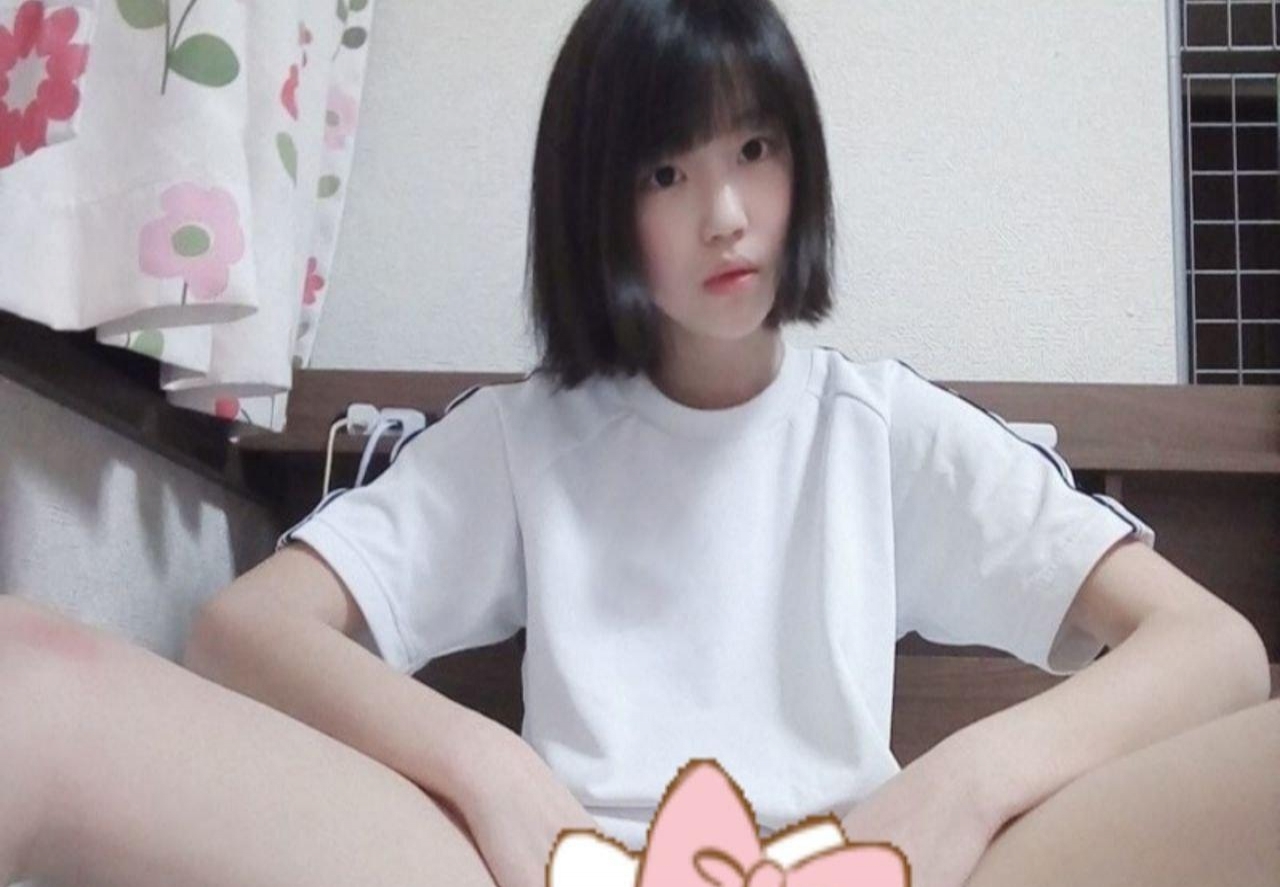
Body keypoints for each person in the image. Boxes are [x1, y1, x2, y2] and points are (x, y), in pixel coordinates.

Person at [2, 0, 1277, 886]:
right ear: (595, 207)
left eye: (754, 149)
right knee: (27, 673)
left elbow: (1215, 652)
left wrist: (963, 783)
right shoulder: (522, 437)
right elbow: (242, 631)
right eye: (664, 173)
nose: (724, 213)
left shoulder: (879, 426)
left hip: (870, 863)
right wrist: (489, 770)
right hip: (563, 862)